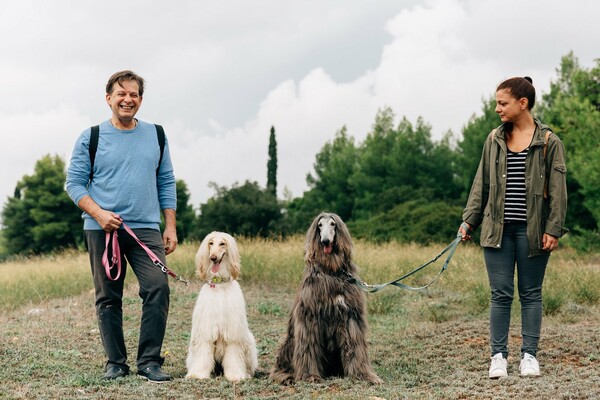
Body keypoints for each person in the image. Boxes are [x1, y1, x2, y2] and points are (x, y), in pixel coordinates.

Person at [66, 70, 177, 382]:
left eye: (134, 94)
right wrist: (100, 214)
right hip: (102, 229)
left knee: (158, 286)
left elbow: (166, 181)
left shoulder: (157, 134)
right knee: (108, 296)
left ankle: (150, 362)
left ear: (140, 100)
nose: (128, 99)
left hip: (145, 229)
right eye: (121, 94)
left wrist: (170, 226)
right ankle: (115, 362)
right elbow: (74, 185)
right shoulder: (91, 137)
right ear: (109, 98)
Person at [459, 76, 568, 379]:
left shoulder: (549, 142)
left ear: (523, 103)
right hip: (497, 231)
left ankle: (529, 356)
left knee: (531, 293)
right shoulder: (494, 139)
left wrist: (554, 229)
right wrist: (469, 220)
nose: (497, 109)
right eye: (497, 103)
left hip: (533, 232)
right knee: (500, 294)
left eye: (502, 103)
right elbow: (480, 183)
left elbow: (559, 191)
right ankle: (498, 357)